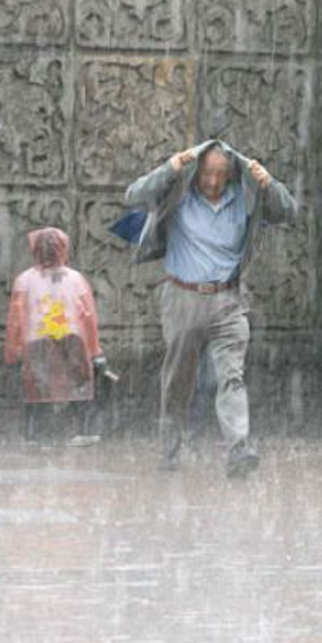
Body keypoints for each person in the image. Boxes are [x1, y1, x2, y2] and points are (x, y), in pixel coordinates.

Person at [125, 140, 298, 477]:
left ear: (232, 174)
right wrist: (172, 165)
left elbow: (288, 211)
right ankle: (170, 447)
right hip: (182, 298)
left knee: (231, 376)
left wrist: (269, 184)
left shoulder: (246, 200)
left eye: (221, 174)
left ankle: (238, 450)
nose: (214, 182)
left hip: (228, 302)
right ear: (197, 171)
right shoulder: (178, 194)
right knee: (178, 380)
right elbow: (133, 195)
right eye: (207, 173)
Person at [4, 227, 107, 444]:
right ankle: (83, 431)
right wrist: (95, 350)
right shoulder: (76, 279)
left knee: (38, 387)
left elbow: (16, 319)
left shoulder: (24, 280)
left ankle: (36, 435)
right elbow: (88, 317)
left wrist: (14, 350)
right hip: (72, 339)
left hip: (36, 340)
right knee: (79, 385)